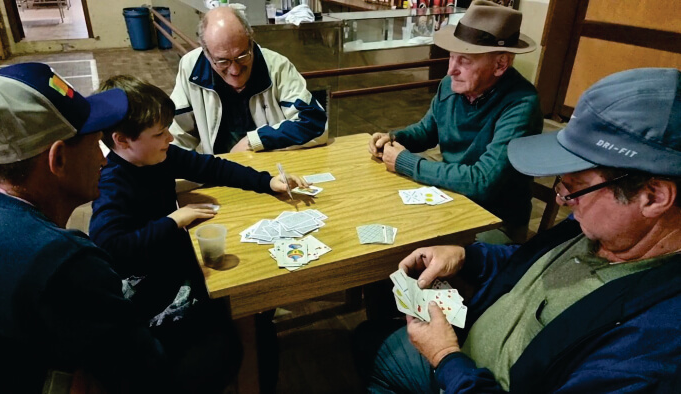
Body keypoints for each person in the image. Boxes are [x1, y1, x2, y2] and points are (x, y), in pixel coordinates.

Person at [356, 67, 681, 392]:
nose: (561, 198)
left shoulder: (654, 343)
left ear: (653, 197)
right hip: (464, 346)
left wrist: (445, 358)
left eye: (576, 186)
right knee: (367, 338)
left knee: (372, 353)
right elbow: (534, 259)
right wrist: (469, 257)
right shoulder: (609, 228)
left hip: (461, 375)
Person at [89, 75, 306, 393]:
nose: (171, 139)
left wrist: (266, 181)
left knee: (252, 309)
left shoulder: (160, 156)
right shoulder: (111, 183)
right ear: (122, 141)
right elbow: (110, 247)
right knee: (246, 322)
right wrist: (174, 219)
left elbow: (212, 167)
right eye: (160, 133)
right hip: (150, 292)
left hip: (176, 267)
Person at [0, 63, 167, 393]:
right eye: (96, 143)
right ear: (59, 160)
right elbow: (143, 367)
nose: (104, 160)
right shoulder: (66, 262)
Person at [368, 0, 543, 243]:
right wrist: (395, 137)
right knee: (383, 219)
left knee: (414, 245)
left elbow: (483, 181)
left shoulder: (521, 103)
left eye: (465, 61)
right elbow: (427, 130)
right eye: (452, 57)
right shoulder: (450, 85)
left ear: (500, 64)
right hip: (450, 197)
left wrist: (406, 162)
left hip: (495, 219)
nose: (451, 70)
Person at [169, 7, 327, 155]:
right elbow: (174, 136)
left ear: (251, 41)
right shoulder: (191, 67)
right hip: (219, 172)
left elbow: (314, 124)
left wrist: (254, 141)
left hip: (271, 173)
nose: (235, 70)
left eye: (242, 56)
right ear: (206, 53)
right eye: (222, 61)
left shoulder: (277, 66)